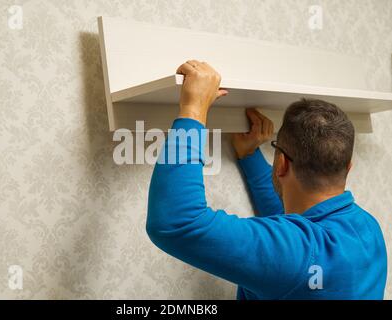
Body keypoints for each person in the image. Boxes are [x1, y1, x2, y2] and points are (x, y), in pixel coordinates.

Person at [145, 60, 387, 299]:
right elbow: (295, 228)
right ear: (348, 167)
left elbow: (177, 222)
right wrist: (249, 156)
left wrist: (193, 111)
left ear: (281, 163)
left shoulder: (298, 252)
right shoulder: (368, 229)